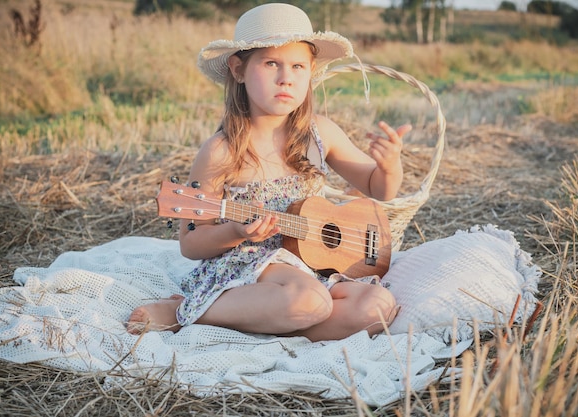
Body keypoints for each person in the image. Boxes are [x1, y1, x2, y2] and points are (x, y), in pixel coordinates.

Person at [127, 3, 412, 342]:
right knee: (310, 300)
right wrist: (236, 231)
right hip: (251, 268)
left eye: (298, 66)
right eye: (271, 63)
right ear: (238, 69)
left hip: (314, 265)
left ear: (311, 72)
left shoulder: (321, 134)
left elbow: (379, 189)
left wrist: (390, 166)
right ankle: (185, 311)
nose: (286, 78)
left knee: (378, 306)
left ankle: (271, 322)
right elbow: (191, 243)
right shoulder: (223, 150)